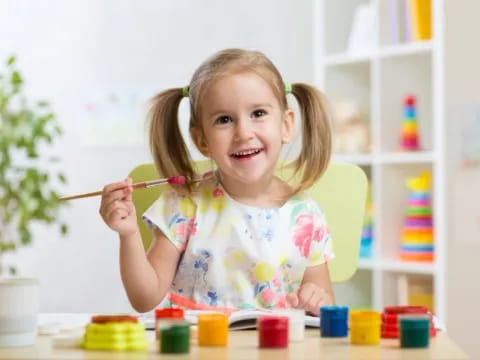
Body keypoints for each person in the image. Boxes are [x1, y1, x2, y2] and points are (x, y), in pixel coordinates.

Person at [99, 48, 335, 315]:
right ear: (202, 141)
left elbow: (325, 304)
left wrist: (316, 300)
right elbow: (144, 298)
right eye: (224, 120)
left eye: (258, 113)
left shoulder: (307, 215)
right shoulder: (184, 204)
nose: (244, 133)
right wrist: (128, 234)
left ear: (286, 124)